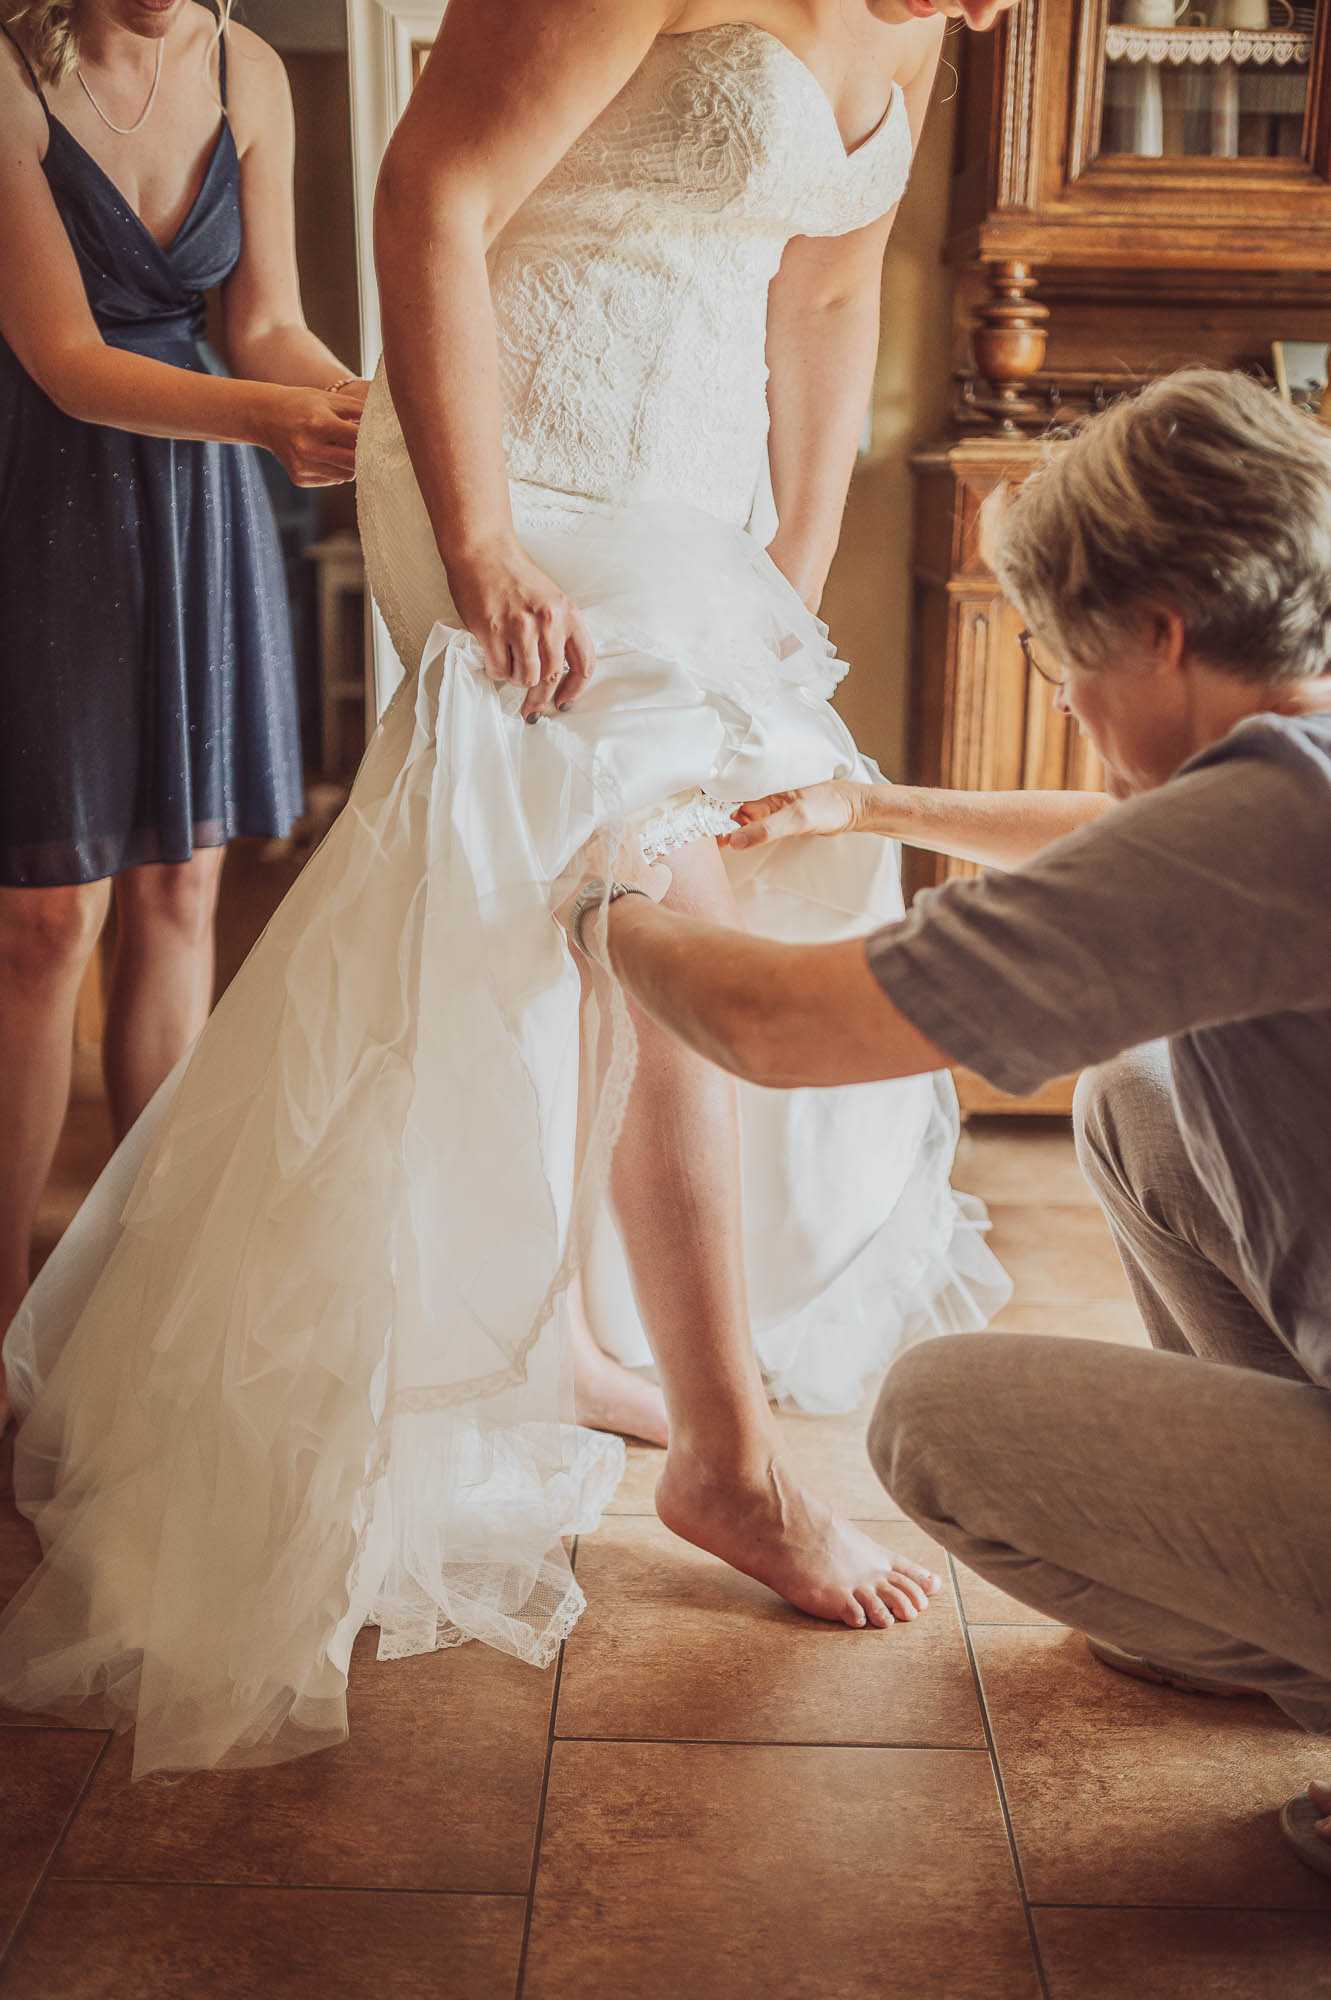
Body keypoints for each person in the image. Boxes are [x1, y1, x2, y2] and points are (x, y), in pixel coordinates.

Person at [0, 0, 1019, 1778]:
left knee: (661, 885)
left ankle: (551, 1330)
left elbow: (831, 293)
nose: (988, 10)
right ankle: (730, 1462)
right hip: (513, 458)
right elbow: (433, 198)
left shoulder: (926, 31)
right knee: (657, 882)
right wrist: (478, 542)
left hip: (690, 495)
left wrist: (787, 557)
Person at [558, 368, 1331, 1883]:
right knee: (1142, 1100)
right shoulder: (1303, 769)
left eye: (1061, 657)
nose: (1062, 696)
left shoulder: (1267, 833)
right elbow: (1145, 845)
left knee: (934, 1420)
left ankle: (1296, 1637)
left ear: (1163, 632)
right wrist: (870, 810)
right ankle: (1271, 1614)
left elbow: (778, 1030)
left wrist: (613, 910)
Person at [0, 0, 366, 1401]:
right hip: (47, 493)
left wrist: (368, 402)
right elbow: (67, 360)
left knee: (179, 896)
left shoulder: (247, 71)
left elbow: (262, 321)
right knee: (40, 927)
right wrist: (278, 423)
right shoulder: (10, 76)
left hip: (201, 504)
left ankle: (142, 1293)